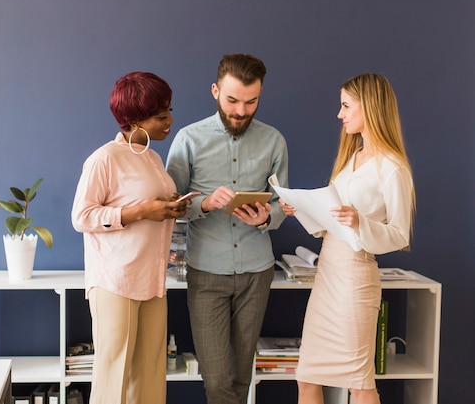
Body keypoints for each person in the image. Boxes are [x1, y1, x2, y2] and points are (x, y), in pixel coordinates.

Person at [280, 73, 415, 404]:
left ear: (368, 107)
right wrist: (303, 210)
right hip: (328, 275)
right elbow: (332, 222)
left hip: (355, 280)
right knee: (307, 377)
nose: (340, 115)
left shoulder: (393, 168)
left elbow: (399, 235)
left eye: (345, 106)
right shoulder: (351, 159)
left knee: (359, 383)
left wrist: (361, 221)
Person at [166, 53, 289, 404]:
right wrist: (203, 203)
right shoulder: (188, 140)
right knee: (217, 380)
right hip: (207, 274)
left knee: (241, 377)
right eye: (233, 100)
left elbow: (283, 203)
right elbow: (170, 206)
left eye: (251, 102)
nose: (240, 111)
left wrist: (266, 218)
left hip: (257, 271)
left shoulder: (274, 141)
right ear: (215, 90)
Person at [71, 72, 189, 404]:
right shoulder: (104, 158)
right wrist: (140, 212)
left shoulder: (152, 158)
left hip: (152, 279)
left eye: (168, 110)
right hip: (115, 280)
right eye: (161, 115)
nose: (170, 121)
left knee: (151, 372)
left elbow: (148, 206)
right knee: (114, 373)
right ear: (134, 120)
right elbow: (81, 216)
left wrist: (168, 209)